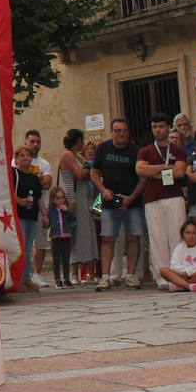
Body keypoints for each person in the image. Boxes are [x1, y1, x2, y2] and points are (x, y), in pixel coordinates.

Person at [91, 118, 145, 291]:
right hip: (108, 201)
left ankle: (130, 275)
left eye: (124, 130)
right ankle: (105, 276)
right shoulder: (102, 148)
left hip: (132, 202)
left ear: (128, 132)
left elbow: (143, 177)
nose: (121, 133)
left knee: (133, 238)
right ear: (111, 132)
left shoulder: (137, 151)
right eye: (117, 130)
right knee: (107, 238)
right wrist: (103, 190)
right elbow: (94, 172)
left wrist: (131, 197)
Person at [137, 113, 188, 291]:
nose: (158, 130)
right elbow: (140, 170)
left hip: (174, 197)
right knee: (156, 237)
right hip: (152, 199)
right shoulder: (145, 150)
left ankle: (177, 274)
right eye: (154, 127)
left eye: (161, 126)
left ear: (168, 128)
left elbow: (180, 172)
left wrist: (154, 172)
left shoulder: (178, 150)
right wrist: (164, 168)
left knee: (176, 235)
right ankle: (161, 278)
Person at [58, 130, 99, 284]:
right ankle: (74, 274)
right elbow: (81, 174)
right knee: (75, 236)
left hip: (84, 199)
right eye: (82, 140)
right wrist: (90, 167)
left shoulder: (76, 155)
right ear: (78, 141)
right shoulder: (67, 155)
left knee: (87, 234)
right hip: (73, 199)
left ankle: (91, 272)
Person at [23, 130, 53, 286]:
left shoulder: (44, 164)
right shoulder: (17, 161)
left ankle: (37, 274)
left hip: (41, 209)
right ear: (26, 142)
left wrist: (33, 178)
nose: (35, 145)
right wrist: (38, 178)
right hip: (23, 210)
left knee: (40, 244)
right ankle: (24, 275)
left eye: (38, 141)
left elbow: (47, 183)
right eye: (32, 141)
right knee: (25, 244)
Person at [12, 148, 43, 290]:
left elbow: (39, 197)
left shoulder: (33, 177)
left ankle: (26, 278)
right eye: (22, 155)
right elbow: (7, 192)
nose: (25, 158)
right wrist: (19, 200)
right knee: (22, 247)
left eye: (28, 155)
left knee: (29, 248)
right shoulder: (13, 174)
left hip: (32, 216)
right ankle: (18, 280)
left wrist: (45, 214)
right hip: (20, 216)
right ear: (16, 159)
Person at [160, 221, 196, 292]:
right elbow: (173, 265)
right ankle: (189, 286)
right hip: (182, 275)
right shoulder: (180, 247)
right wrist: (184, 272)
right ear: (182, 235)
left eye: (194, 233)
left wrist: (187, 273)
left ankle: (180, 285)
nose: (191, 236)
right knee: (163, 270)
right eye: (187, 233)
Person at [42, 187, 74, 288]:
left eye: (62, 197)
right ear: (53, 199)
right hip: (55, 238)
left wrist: (67, 210)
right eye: (58, 198)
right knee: (56, 260)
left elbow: (73, 219)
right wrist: (45, 221)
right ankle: (57, 279)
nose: (61, 200)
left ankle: (67, 279)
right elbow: (47, 224)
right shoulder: (51, 211)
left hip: (66, 237)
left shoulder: (67, 209)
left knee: (66, 259)